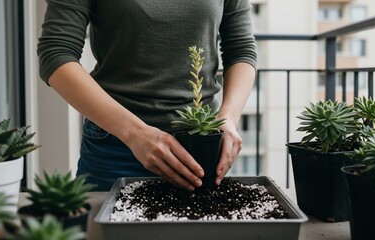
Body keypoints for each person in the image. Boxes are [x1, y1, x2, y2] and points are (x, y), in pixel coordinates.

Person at [38, 0, 257, 191]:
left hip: (201, 147)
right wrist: (134, 133)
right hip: (115, 149)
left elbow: (241, 49)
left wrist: (228, 117)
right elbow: (57, 53)